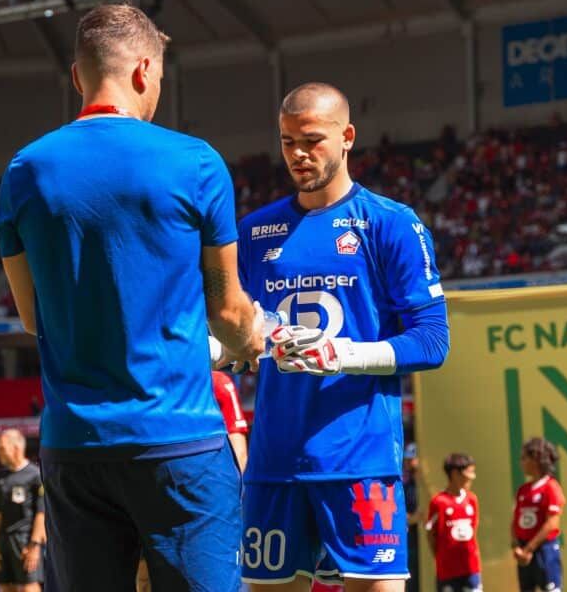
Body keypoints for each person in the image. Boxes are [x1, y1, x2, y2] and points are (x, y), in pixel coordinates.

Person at [0, 3, 263, 591]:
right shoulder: (195, 163)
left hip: (73, 448)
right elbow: (227, 311)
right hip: (178, 444)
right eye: (161, 77)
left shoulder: (24, 173)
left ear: (76, 77)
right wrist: (252, 340)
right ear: (145, 70)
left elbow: (32, 316)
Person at [238, 82, 449, 591]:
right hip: (274, 461)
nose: (298, 154)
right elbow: (237, 334)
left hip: (359, 460)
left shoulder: (391, 224)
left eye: (312, 140)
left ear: (347, 136)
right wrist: (227, 348)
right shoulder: (253, 232)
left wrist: (340, 353)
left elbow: (432, 341)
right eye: (288, 142)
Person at [136, 371, 251, 592]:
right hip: (146, 488)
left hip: (198, 498)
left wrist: (219, 497)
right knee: (143, 575)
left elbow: (240, 453)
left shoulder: (218, 383)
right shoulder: (150, 378)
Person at [0, 430, 44, 592]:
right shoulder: (1, 477)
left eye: (1, 448)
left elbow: (42, 513)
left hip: (25, 540)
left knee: (29, 587)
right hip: (3, 540)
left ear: (16, 448)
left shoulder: (34, 475)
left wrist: (34, 545)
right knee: (5, 587)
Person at [511, 437, 565, 592]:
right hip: (524, 551)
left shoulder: (551, 487)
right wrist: (516, 547)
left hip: (544, 551)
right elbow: (514, 521)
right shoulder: (523, 490)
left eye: (524, 458)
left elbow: (552, 523)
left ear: (536, 459)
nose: (521, 462)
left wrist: (528, 549)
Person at [426, 454, 481, 592]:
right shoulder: (438, 502)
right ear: (455, 474)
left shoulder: (472, 499)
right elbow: (430, 533)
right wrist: (442, 557)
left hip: (471, 568)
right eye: (469, 472)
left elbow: (473, 530)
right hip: (447, 571)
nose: (472, 477)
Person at [403, 443, 421, 592]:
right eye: (407, 459)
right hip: (411, 534)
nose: (409, 462)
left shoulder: (422, 483)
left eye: (412, 459)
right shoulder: (406, 484)